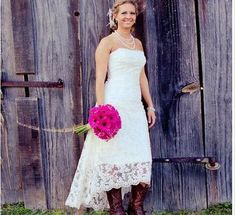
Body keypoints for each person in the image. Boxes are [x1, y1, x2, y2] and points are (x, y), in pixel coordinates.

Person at [65, 0, 156, 214]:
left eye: (132, 13)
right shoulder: (107, 42)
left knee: (139, 152)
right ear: (115, 16)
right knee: (113, 154)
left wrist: (150, 106)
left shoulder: (138, 44)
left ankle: (136, 206)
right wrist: (101, 110)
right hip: (113, 104)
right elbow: (99, 78)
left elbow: (141, 76)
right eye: (124, 12)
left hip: (134, 107)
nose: (129, 16)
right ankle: (116, 209)